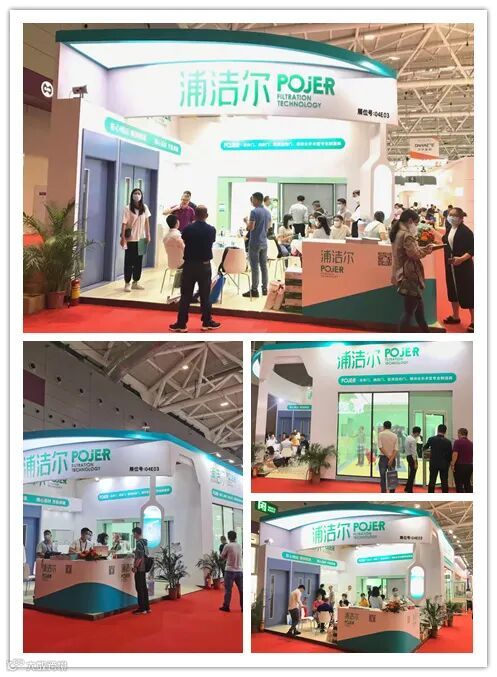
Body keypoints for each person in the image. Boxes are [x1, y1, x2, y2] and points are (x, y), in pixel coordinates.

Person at [169, 205, 220, 332]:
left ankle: (181, 324)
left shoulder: (187, 229)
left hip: (189, 265)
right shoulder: (211, 230)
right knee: (205, 295)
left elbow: (185, 241)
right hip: (204, 266)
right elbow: (212, 241)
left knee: (185, 295)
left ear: (195, 215)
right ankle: (206, 322)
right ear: (206, 215)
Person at [390, 208, 434, 332]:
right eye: (416, 223)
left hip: (402, 273)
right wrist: (427, 251)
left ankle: (428, 335)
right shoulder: (407, 235)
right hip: (409, 276)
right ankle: (401, 337)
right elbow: (414, 254)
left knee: (418, 312)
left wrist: (423, 249)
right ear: (410, 221)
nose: (416, 226)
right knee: (409, 312)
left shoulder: (397, 232)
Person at [442, 207, 474, 332]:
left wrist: (462, 259)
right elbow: (445, 241)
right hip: (450, 265)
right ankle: (455, 316)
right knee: (452, 290)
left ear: (461, 218)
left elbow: (472, 249)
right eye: (450, 215)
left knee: (468, 291)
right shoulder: (450, 228)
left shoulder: (466, 232)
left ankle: (474, 321)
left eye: (454, 215)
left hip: (463, 266)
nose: (451, 217)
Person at [120, 188, 151, 292]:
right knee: (129, 261)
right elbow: (124, 223)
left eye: (139, 193)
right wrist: (123, 237)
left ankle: (135, 282)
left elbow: (147, 221)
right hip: (131, 239)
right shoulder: (127, 208)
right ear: (132, 195)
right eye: (135, 193)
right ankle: (127, 283)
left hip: (141, 239)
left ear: (141, 196)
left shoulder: (144, 207)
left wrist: (148, 234)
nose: (137, 195)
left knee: (138, 262)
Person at [243, 192, 271, 298]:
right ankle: (264, 288)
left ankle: (254, 290)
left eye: (252, 199)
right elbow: (268, 226)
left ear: (256, 199)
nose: (251, 201)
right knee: (264, 266)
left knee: (254, 267)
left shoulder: (254, 212)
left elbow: (251, 227)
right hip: (264, 242)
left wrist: (246, 222)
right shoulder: (267, 212)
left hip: (255, 242)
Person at [424, 424, 453, 493]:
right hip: (444, 464)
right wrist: (448, 463)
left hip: (433, 463)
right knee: (444, 481)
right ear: (445, 431)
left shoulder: (431, 439)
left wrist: (430, 452)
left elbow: (425, 448)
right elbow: (450, 455)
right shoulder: (448, 442)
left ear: (437, 430)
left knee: (432, 480)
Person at [219, 530, 242, 612]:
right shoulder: (239, 546)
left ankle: (226, 606)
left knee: (228, 590)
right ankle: (243, 607)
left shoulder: (227, 546)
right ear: (236, 537)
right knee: (241, 590)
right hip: (239, 570)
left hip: (229, 570)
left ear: (228, 537)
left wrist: (225, 557)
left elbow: (221, 556)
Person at [131, 526, 150, 615]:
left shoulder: (138, 543)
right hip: (144, 567)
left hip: (139, 568)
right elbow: (146, 554)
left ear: (136, 533)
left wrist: (135, 566)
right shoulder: (144, 542)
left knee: (139, 588)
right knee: (144, 587)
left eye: (133, 533)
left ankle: (142, 608)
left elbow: (139, 557)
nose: (133, 535)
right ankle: (147, 607)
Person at [378, 421, 399, 493]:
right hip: (392, 459)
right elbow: (396, 449)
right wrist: (391, 458)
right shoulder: (395, 435)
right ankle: (392, 493)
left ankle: (383, 493)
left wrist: (387, 456)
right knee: (392, 476)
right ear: (391, 427)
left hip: (383, 458)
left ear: (384, 426)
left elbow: (380, 447)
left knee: (383, 477)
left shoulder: (380, 434)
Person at [451, 428, 473, 492]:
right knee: (467, 483)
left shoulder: (457, 442)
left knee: (459, 484)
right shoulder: (471, 443)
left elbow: (455, 454)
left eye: (458, 433)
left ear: (460, 433)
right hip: (469, 466)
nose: (457, 435)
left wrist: (452, 464)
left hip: (460, 466)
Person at [404, 426, 421, 493]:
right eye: (419, 433)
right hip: (412, 457)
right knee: (413, 474)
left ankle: (407, 488)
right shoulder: (413, 440)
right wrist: (415, 462)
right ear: (416, 433)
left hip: (408, 456)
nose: (419, 435)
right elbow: (414, 452)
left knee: (411, 473)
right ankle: (409, 490)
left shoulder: (407, 437)